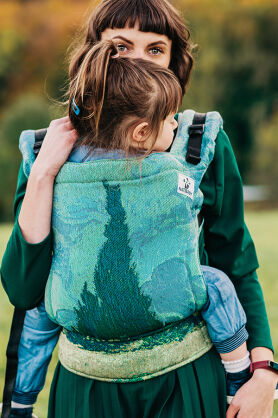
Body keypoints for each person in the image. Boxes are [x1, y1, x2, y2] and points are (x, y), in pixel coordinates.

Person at [1, 1, 277, 417]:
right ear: (95, 54)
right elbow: (25, 291)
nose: (137, 62)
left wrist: (264, 373)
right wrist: (42, 176)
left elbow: (235, 265)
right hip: (85, 392)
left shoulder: (202, 141)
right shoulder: (45, 151)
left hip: (186, 385)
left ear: (173, 62)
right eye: (120, 46)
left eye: (155, 50)